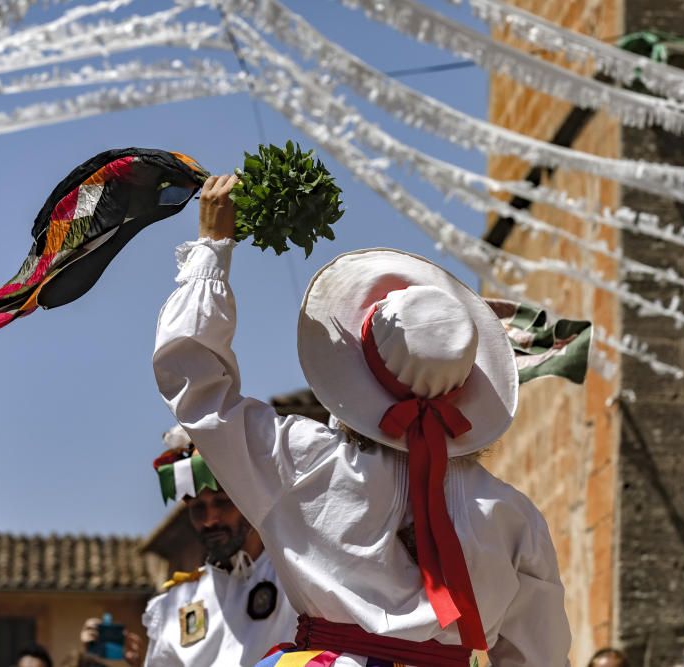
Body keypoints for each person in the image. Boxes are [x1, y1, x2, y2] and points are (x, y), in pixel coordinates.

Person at [151, 175, 578, 665]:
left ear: (357, 376)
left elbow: (195, 385)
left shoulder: (304, 463)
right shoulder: (512, 516)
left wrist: (212, 249)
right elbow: (538, 656)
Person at [142, 426, 298, 665]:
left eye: (223, 502)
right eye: (198, 508)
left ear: (250, 499)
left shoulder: (297, 580)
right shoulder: (172, 607)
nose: (210, 520)